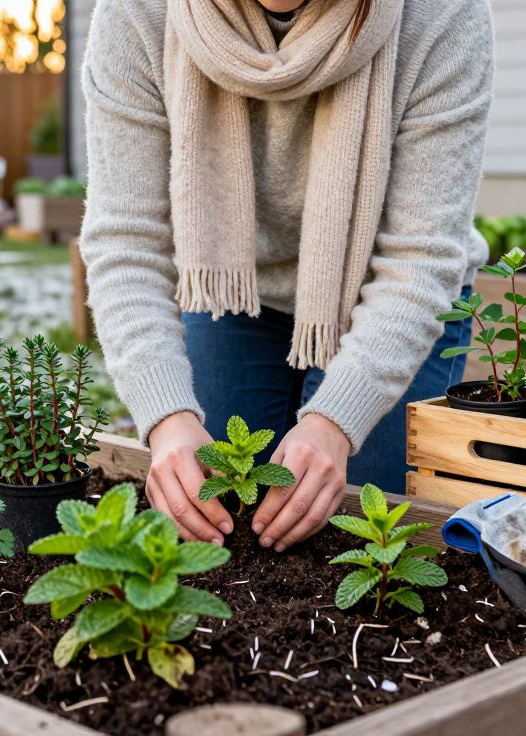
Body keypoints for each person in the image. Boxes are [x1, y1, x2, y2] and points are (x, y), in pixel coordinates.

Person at [78, 0, 491, 551]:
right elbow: (126, 241)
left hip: (391, 298)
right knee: (217, 520)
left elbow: (420, 259)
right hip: (234, 295)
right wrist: (166, 418)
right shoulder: (140, 12)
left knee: (363, 539)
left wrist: (335, 423)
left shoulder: (442, 13)